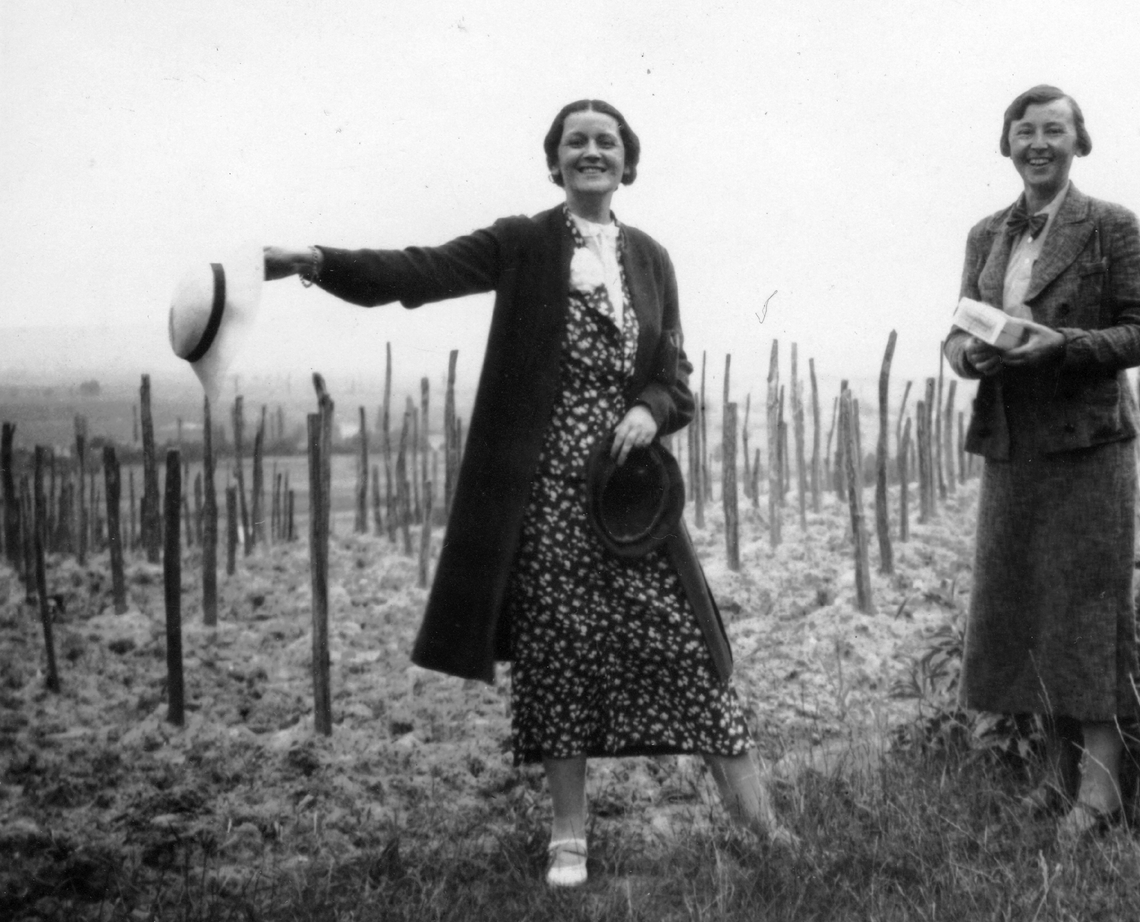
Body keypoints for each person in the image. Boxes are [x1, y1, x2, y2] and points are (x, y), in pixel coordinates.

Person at [264, 99, 786, 887]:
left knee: (685, 646)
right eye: (575, 141)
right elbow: (418, 271)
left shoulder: (651, 257)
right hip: (546, 501)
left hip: (633, 504)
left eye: (605, 141)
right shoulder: (523, 243)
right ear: (555, 162)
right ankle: (568, 840)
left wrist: (648, 409)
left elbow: (673, 377)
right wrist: (314, 260)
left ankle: (765, 831)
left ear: (627, 160)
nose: (591, 151)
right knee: (557, 657)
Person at [942, 85, 1140, 840]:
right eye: (1024, 130)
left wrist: (1062, 346)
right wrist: (969, 352)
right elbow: (960, 328)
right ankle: (1052, 775)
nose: (1039, 142)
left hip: (1087, 443)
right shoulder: (987, 234)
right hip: (1013, 441)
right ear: (1006, 144)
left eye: (1054, 130)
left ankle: (1101, 794)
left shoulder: (1109, 226)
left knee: (1086, 607)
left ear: (1079, 141)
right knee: (1032, 604)